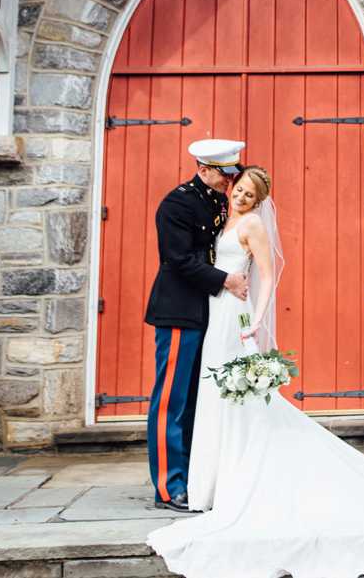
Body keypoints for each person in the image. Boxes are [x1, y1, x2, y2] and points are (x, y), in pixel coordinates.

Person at [148, 165, 364, 578]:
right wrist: (225, 281)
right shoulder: (214, 213)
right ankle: (207, 481)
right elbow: (188, 259)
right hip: (212, 315)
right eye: (238, 188)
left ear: (259, 202)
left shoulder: (252, 226)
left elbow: (266, 276)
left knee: (234, 400)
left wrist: (256, 324)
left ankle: (230, 481)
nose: (241, 196)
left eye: (248, 194)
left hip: (233, 319)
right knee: (210, 397)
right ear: (225, 183)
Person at [144, 138, 251, 513]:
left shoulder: (218, 200)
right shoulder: (177, 204)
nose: (230, 180)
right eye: (225, 173)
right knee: (171, 401)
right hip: (179, 311)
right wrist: (226, 279)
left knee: (196, 401)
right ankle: (168, 487)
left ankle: (193, 477)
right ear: (204, 169)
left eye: (232, 173)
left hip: (210, 313)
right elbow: (178, 260)